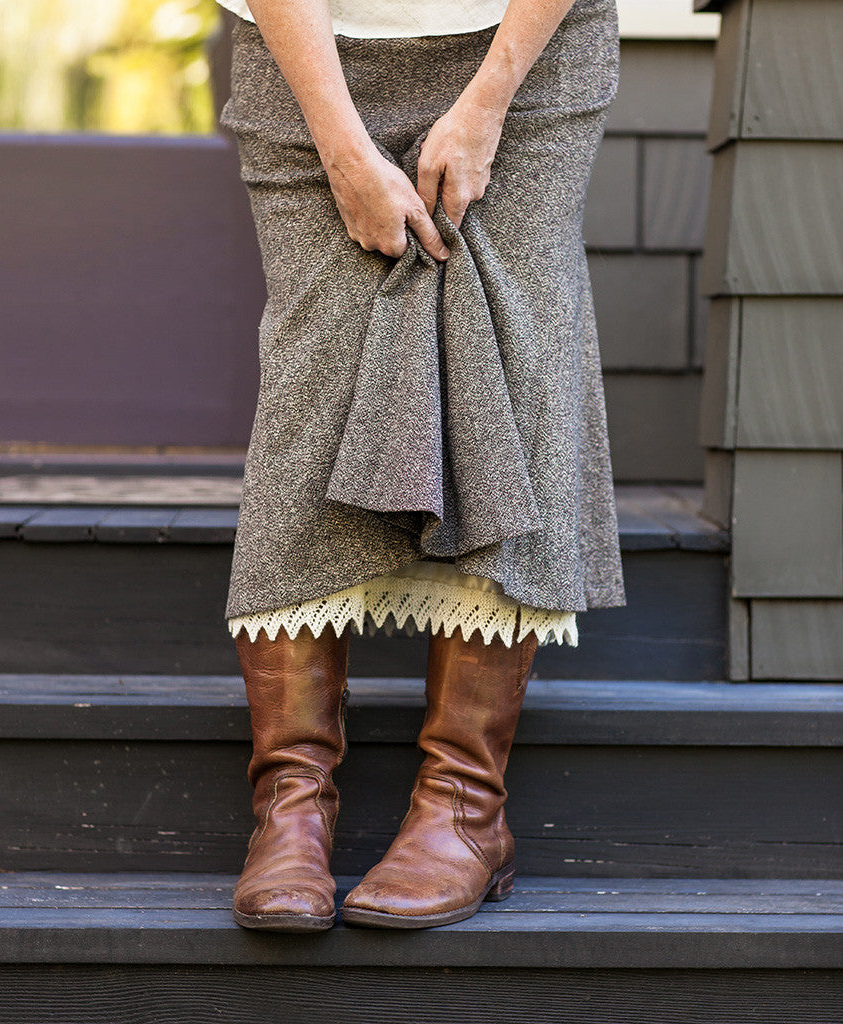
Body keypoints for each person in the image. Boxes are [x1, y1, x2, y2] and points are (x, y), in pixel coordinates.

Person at [214, 0, 626, 931]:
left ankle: (464, 812)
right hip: (305, 60)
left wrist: (485, 104)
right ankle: (291, 809)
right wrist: (345, 150)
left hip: (526, 55)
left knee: (509, 373)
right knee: (313, 393)